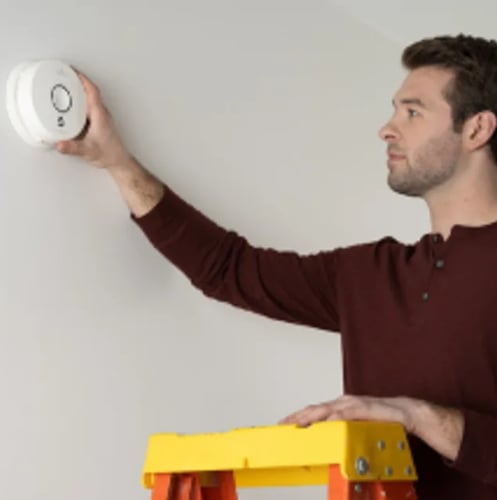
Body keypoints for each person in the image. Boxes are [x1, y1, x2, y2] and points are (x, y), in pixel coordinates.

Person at [56, 34, 497, 499]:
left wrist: (418, 416)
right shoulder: (370, 274)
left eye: (413, 112)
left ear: (477, 129)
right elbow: (229, 269)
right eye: (395, 111)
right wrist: (117, 162)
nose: (387, 129)